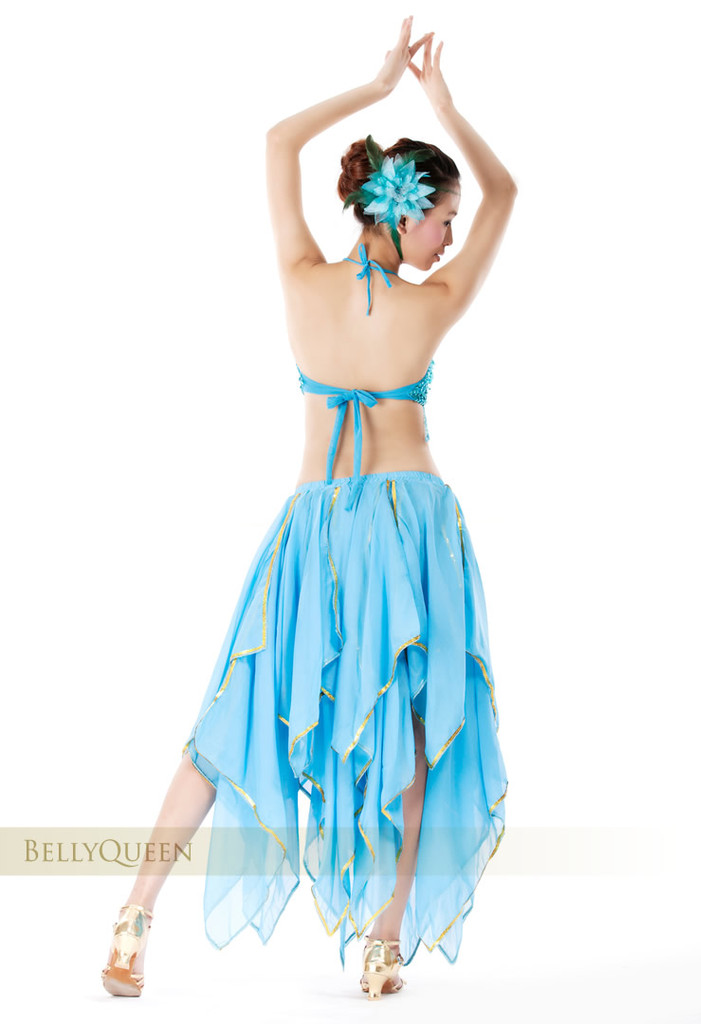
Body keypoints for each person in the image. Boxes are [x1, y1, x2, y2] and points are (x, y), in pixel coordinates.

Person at [101, 15, 516, 1001]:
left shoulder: (300, 282)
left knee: (234, 707)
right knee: (414, 731)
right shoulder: (432, 304)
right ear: (404, 214)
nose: (449, 236)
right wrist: (442, 105)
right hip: (409, 528)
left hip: (313, 526)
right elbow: (506, 192)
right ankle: (381, 945)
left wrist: (378, 88)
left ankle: (133, 917)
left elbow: (278, 142)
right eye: (441, 218)